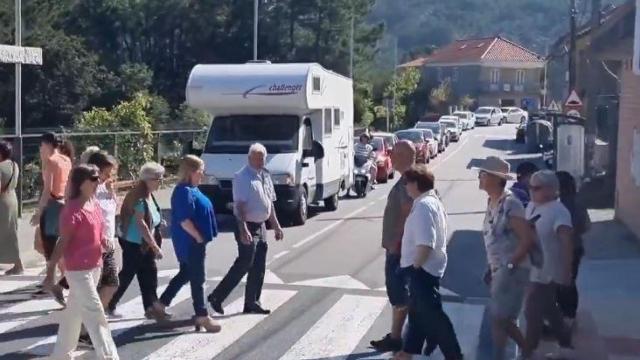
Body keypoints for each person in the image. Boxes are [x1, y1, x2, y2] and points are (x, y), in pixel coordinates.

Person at [43, 164, 119, 360]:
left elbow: (98, 229)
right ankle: (109, 357)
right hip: (78, 271)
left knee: (74, 314)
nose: (97, 182)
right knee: (96, 314)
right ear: (81, 183)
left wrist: (104, 240)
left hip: (95, 267)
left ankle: (60, 355)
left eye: (97, 178)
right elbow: (62, 242)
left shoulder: (93, 203)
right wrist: (50, 271)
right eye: (93, 179)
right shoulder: (71, 210)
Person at [394, 164, 463, 360]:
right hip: (424, 269)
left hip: (422, 271)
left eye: (407, 183)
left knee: (435, 318)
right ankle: (406, 353)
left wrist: (414, 268)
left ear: (416, 183)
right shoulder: (431, 202)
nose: (406, 187)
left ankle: (455, 356)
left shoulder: (424, 206)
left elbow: (425, 243)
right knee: (417, 315)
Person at [208, 143, 284, 315]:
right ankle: (217, 297)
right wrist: (243, 229)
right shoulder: (242, 177)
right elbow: (239, 205)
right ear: (249, 158)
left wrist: (276, 226)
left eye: (262, 158)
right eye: (256, 158)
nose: (259, 161)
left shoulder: (265, 175)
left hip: (261, 224)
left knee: (259, 266)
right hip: (246, 224)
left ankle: (252, 302)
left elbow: (269, 203)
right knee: (245, 262)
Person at [148, 155, 221, 332]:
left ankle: (160, 305)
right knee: (198, 278)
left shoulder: (191, 188)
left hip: (194, 241)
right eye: (200, 172)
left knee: (186, 273)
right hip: (190, 242)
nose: (202, 176)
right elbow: (183, 220)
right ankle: (202, 315)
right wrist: (197, 237)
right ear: (191, 172)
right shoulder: (183, 191)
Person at [477, 156, 536, 360]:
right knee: (500, 318)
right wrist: (490, 267)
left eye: (483, 174)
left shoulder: (511, 204)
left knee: (499, 317)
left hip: (513, 269)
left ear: (495, 178)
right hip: (499, 269)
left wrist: (509, 265)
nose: (479, 178)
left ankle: (518, 352)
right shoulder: (492, 201)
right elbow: (493, 238)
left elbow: (526, 239)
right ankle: (520, 352)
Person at [523, 170, 576, 359]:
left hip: (548, 271)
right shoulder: (531, 206)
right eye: (530, 186)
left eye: (536, 188)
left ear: (552, 190)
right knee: (549, 309)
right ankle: (565, 339)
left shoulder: (558, 211)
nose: (531, 191)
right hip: (531, 269)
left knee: (532, 311)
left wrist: (566, 272)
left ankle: (527, 353)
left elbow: (567, 243)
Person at [370, 140, 416, 353]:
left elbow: (407, 211)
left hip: (399, 249)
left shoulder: (409, 180)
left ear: (405, 156)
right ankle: (396, 336)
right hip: (398, 248)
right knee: (399, 295)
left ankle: (400, 339)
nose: (391, 156)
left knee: (399, 294)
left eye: (394, 153)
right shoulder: (408, 179)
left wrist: (396, 242)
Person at [107, 162, 168, 321]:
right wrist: (155, 247)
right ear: (148, 179)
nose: (160, 182)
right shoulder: (140, 197)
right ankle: (109, 303)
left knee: (148, 274)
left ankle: (151, 307)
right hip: (135, 244)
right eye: (158, 179)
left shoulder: (148, 194)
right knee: (128, 274)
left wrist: (158, 222)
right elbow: (141, 225)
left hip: (142, 244)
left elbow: (150, 218)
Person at [32, 132, 74, 305]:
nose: (40, 148)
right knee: (59, 244)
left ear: (48, 145)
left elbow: (47, 190)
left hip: (52, 207)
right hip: (64, 203)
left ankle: (57, 281)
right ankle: (60, 280)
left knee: (51, 247)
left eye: (42, 145)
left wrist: (39, 212)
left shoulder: (51, 162)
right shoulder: (66, 160)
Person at [555, 171, 590, 328]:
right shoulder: (577, 202)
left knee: (563, 283)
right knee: (568, 281)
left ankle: (567, 316)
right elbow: (586, 226)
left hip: (564, 249)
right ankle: (568, 315)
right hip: (575, 247)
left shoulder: (561, 205)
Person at [0, 141, 22, 275]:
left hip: (2, 202)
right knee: (11, 232)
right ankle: (18, 264)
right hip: (12, 199)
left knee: (6, 233)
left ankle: (18, 265)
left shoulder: (0, 167)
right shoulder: (15, 165)